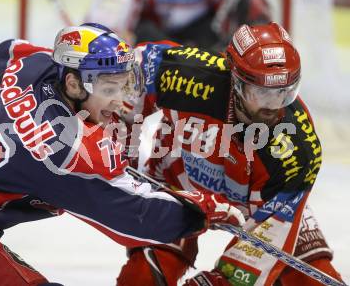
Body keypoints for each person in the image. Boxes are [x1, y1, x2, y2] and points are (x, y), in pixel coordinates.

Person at [0, 23, 246, 285]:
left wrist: (19, 110)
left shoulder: (32, 66)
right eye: (108, 87)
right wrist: (202, 212)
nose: (120, 99)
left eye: (122, 82)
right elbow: (138, 218)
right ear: (72, 85)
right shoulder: (65, 151)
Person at [116, 22, 344, 285]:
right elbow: (134, 69)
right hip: (177, 187)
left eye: (285, 93)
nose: (274, 107)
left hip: (263, 207)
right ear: (235, 78)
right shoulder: (191, 76)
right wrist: (120, 137)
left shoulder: (297, 151)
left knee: (313, 276)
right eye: (261, 93)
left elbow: (248, 268)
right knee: (141, 277)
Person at [84, 0, 271, 50]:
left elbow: (247, 3)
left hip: (204, 43)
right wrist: (105, 38)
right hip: (152, 46)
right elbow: (110, 8)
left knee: (249, 5)